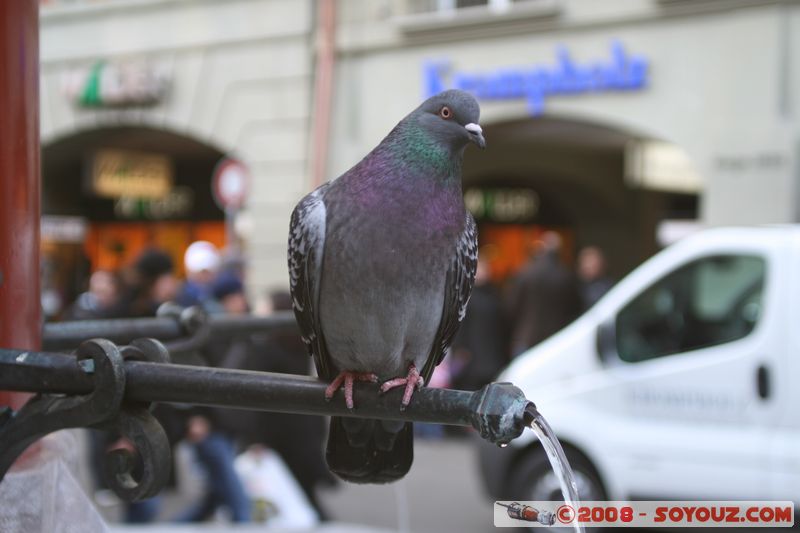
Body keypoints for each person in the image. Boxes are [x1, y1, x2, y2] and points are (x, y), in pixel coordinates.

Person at [508, 232, 582, 356]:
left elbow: (511, 307)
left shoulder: (526, 273)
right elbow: (575, 307)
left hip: (527, 336)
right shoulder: (566, 275)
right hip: (556, 337)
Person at [450, 255, 511, 391]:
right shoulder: (467, 296)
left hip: (489, 359)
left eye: (485, 269)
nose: (484, 272)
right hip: (473, 361)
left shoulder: (493, 295)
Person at [176, 241, 221, 308]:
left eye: (208, 272)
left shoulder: (221, 293)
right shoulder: (181, 295)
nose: (204, 276)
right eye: (201, 272)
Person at [577, 245, 614, 310]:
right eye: (585, 262)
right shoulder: (575, 289)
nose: (587, 266)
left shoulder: (608, 287)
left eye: (591, 262)